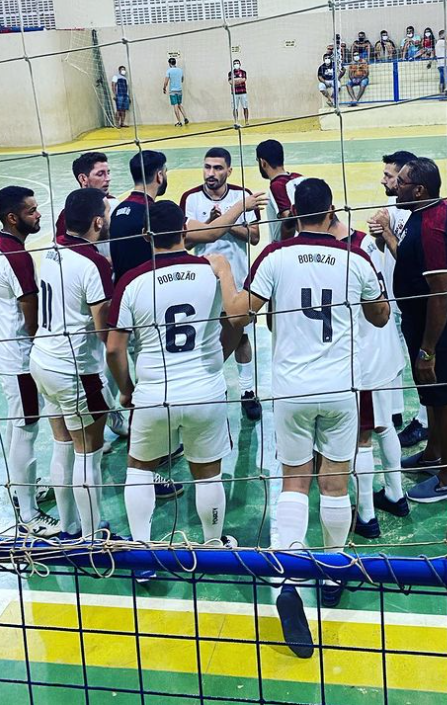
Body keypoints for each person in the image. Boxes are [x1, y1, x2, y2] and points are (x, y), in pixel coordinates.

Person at [207, 177, 389, 655]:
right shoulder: (355, 257)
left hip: (291, 389)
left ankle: (288, 578)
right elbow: (381, 316)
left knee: (294, 480)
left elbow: (238, 316)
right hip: (340, 388)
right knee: (335, 482)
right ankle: (333, 569)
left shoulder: (274, 256)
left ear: (292, 214)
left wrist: (224, 271)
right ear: (331, 212)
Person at [106, 201, 238, 568]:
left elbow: (114, 348)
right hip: (205, 390)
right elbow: (236, 323)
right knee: (207, 473)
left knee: (139, 468)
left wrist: (127, 389)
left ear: (146, 235)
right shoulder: (211, 270)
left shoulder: (132, 280)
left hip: (154, 393)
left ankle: (142, 552)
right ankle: (213, 546)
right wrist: (216, 361)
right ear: (185, 230)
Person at [29, 188, 113, 540]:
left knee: (62, 446)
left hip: (42, 361)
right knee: (88, 454)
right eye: (105, 213)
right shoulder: (94, 263)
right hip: (74, 369)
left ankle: (68, 527)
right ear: (97, 222)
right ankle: (92, 536)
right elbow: (104, 329)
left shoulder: (53, 249)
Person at [390, 158, 447, 503]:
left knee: (445, 399)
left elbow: (440, 292)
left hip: (437, 323)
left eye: (401, 182)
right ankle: (434, 455)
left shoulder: (432, 227)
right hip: (423, 319)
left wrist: (428, 349)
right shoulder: (426, 212)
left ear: (419, 190)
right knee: (432, 395)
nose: (394, 186)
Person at [0, 186, 59, 537]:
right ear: (12, 218)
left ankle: (19, 487)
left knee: (18, 425)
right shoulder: (17, 257)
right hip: (19, 359)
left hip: (2, 351)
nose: (38, 214)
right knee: (27, 428)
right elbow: (32, 319)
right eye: (31, 211)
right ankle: (29, 514)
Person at [327, 216, 407, 539]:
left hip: (365, 360)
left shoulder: (341, 256)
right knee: (385, 425)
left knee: (361, 438)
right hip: (386, 352)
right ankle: (396, 495)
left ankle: (366, 516)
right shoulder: (365, 243)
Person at [180, 147, 262, 422]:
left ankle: (247, 391)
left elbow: (254, 237)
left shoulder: (242, 196)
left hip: (236, 280)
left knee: (242, 336)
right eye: (207, 167)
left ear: (229, 171)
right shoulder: (190, 198)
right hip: (201, 285)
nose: (211, 173)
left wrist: (225, 222)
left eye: (217, 168)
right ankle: (211, 387)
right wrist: (209, 224)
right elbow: (185, 242)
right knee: (203, 336)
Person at [53, 151, 128, 445]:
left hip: (115, 291)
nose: (107, 179)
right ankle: (113, 418)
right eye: (100, 174)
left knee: (115, 355)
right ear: (83, 179)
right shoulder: (69, 216)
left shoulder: (115, 206)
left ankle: (115, 415)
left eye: (108, 172)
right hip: (89, 299)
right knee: (101, 359)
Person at [110, 150, 263, 283]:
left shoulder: (117, 210)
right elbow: (211, 233)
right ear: (159, 176)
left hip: (123, 291)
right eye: (165, 172)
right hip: (149, 291)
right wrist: (241, 206)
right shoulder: (157, 213)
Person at [368, 151, 430, 449]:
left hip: (420, 302)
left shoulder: (421, 213)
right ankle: (394, 412)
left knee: (423, 363)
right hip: (396, 299)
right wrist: (379, 231)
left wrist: (386, 231)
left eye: (389, 176)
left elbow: (407, 257)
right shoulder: (395, 206)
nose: (384, 180)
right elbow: (383, 242)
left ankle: (426, 421)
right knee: (390, 355)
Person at [255, 138, 302, 242]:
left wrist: (281, 247)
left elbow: (288, 222)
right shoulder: (299, 178)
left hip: (290, 246)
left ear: (263, 162)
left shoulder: (277, 186)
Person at [163, 58, 188, 127]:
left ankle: (179, 122)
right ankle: (185, 118)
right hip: (179, 90)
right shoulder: (180, 70)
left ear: (170, 63)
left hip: (173, 91)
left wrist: (164, 88)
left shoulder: (169, 71)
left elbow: (166, 81)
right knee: (180, 104)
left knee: (175, 106)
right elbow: (182, 79)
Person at [228, 60, 249, 125]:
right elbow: (230, 82)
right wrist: (239, 80)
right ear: (233, 65)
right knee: (235, 108)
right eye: (235, 63)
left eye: (237, 63)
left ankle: (246, 121)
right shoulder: (230, 73)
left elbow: (243, 79)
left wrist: (235, 80)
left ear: (240, 64)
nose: (236, 64)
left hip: (243, 92)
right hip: (234, 94)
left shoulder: (243, 72)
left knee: (245, 107)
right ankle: (236, 121)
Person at [435, 30, 447, 94]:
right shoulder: (441, 42)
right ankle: (442, 94)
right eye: (445, 34)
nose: (446, 36)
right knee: (443, 81)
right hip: (442, 64)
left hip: (446, 63)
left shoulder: (439, 42)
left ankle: (445, 92)